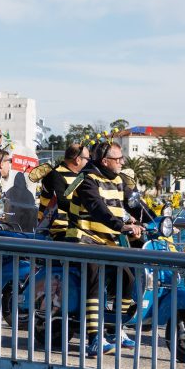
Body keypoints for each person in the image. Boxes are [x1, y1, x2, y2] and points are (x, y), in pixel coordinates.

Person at [66, 142, 143, 355]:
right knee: (94, 278)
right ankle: (94, 338)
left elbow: (135, 204)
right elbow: (97, 208)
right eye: (118, 159)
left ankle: (116, 328)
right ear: (105, 161)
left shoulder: (117, 179)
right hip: (84, 239)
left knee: (128, 277)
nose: (122, 162)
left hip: (107, 241)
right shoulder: (86, 179)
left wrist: (152, 221)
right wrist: (121, 226)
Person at [34, 143, 88, 240]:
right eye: (88, 159)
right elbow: (61, 201)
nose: (89, 162)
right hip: (56, 231)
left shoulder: (81, 176)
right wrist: (87, 210)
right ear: (78, 160)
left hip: (77, 229)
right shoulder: (55, 175)